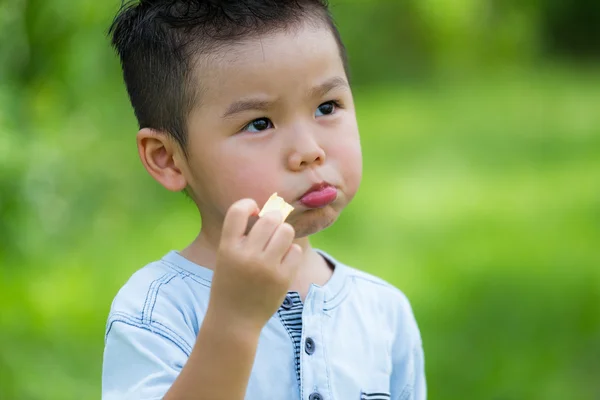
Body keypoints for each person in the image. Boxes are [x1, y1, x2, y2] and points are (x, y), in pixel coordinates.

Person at [102, 1, 426, 399]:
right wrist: (233, 322)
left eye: (327, 107)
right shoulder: (156, 312)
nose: (308, 151)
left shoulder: (384, 313)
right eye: (259, 123)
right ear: (168, 158)